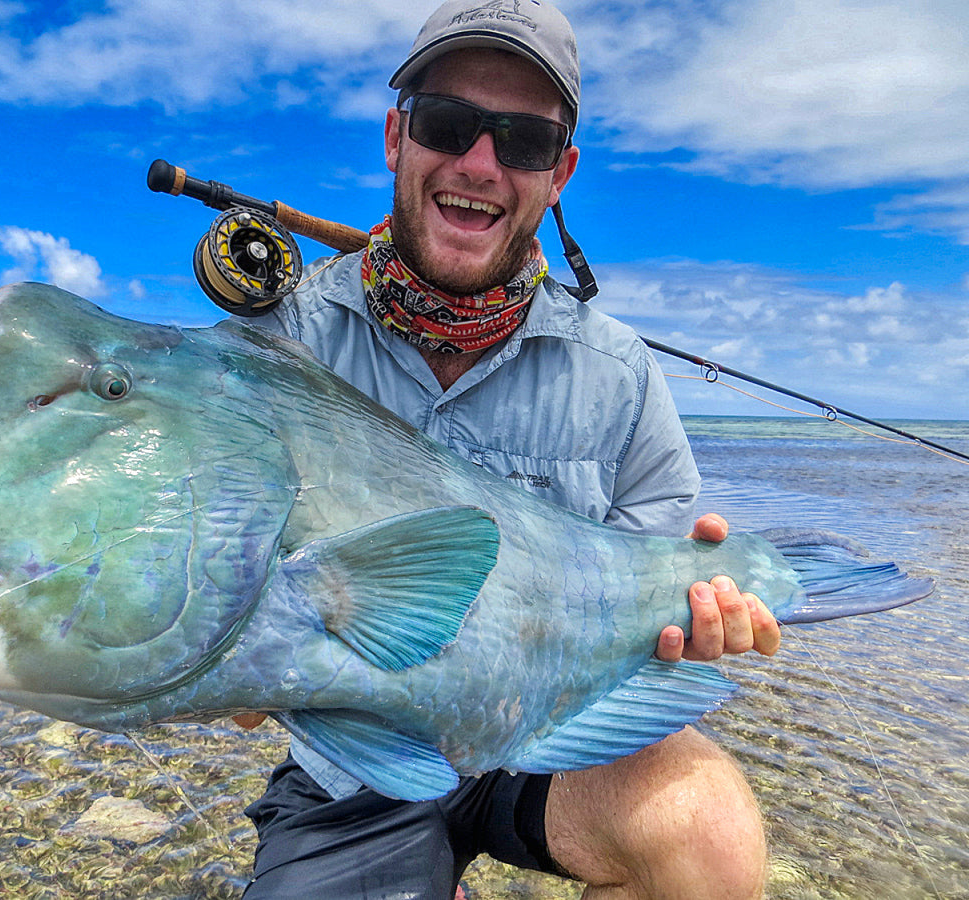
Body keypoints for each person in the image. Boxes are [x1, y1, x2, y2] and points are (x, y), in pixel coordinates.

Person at [235, 2, 782, 897]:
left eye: (523, 141)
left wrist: (698, 618)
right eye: (448, 124)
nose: (479, 165)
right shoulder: (278, 343)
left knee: (709, 841)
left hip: (548, 736)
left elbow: (657, 599)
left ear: (559, 173)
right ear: (394, 137)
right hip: (352, 767)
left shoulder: (621, 375)